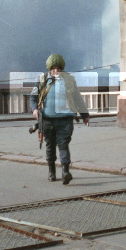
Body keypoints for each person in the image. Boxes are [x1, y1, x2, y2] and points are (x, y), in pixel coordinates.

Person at [29, 53, 89, 184]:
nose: (56, 71)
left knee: (63, 145)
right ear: (49, 69)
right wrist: (34, 110)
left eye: (58, 69)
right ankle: (52, 172)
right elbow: (33, 97)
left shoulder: (69, 80)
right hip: (47, 120)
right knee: (50, 146)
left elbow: (77, 97)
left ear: (62, 69)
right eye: (53, 69)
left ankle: (65, 172)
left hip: (65, 120)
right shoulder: (42, 80)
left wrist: (85, 115)